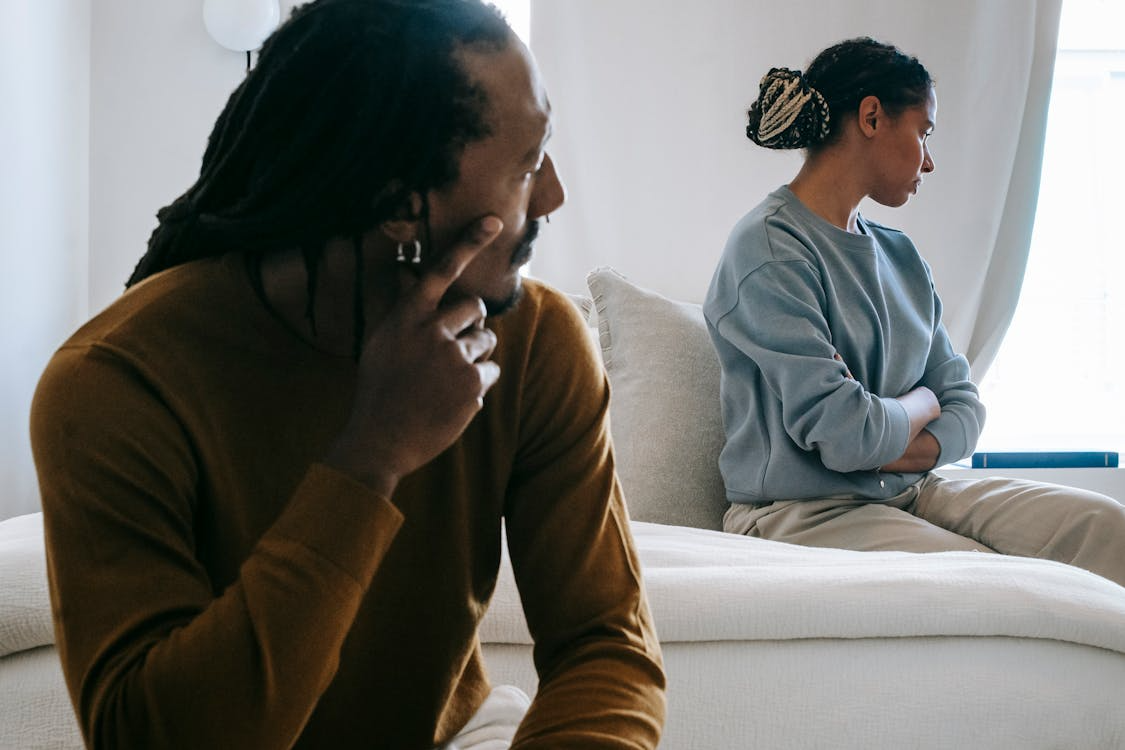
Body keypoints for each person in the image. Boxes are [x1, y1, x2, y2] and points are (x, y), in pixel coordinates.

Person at [29, 1, 666, 747]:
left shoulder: (536, 344)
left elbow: (605, 646)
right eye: (526, 167)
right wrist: (369, 460)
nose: (552, 194)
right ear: (399, 205)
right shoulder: (115, 384)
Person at [704, 36, 1125, 589]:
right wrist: (921, 401)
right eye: (924, 132)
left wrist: (890, 434)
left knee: (1105, 528)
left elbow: (964, 406)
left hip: (910, 490)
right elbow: (846, 434)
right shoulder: (769, 249)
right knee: (995, 581)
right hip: (801, 514)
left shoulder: (899, 255)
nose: (930, 159)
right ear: (873, 117)